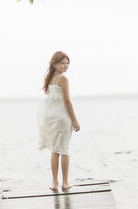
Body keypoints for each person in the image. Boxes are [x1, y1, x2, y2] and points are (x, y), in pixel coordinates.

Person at [36, 51, 80, 190]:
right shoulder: (63, 79)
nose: (66, 66)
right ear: (54, 64)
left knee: (55, 150)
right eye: (62, 63)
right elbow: (67, 101)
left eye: (67, 64)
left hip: (52, 118)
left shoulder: (50, 79)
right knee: (64, 150)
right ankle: (65, 182)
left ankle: (54, 182)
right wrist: (75, 121)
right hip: (62, 118)